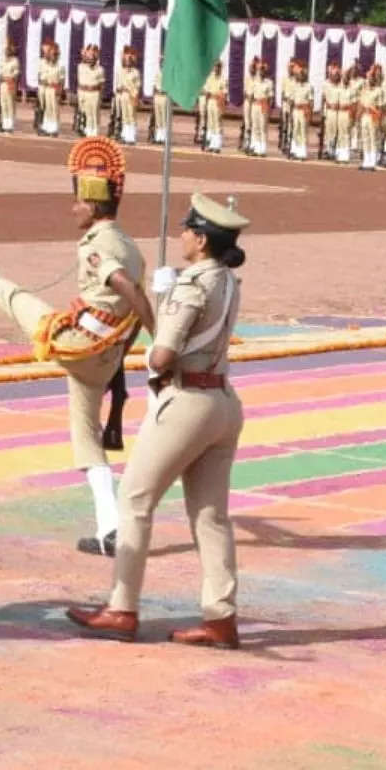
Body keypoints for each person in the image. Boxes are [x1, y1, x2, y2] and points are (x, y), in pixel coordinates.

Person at [0, 138, 155, 556]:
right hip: (104, 355)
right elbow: (131, 307)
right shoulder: (133, 246)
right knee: (86, 436)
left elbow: (125, 287)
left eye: (78, 200)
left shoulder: (101, 246)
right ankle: (110, 528)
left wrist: (160, 333)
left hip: (76, 342)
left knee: (8, 293)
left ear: (94, 203)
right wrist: (119, 365)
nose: (72, 208)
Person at [66, 194, 250, 649]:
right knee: (211, 518)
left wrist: (161, 321)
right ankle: (220, 616)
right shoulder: (227, 280)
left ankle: (122, 606)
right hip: (223, 399)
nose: (183, 235)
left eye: (189, 229)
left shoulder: (192, 285)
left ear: (202, 239)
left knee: (135, 501)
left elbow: (164, 353)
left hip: (187, 401)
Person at [37, 38, 65, 136]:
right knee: (47, 109)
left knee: (54, 109)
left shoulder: (60, 66)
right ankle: (47, 127)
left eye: (54, 54)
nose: (52, 56)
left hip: (54, 89)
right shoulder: (47, 64)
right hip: (47, 88)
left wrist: (59, 91)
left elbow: (62, 80)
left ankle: (54, 129)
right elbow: (41, 77)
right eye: (51, 54)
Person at [0, 40, 22, 133]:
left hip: (11, 84)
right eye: (6, 49)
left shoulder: (15, 61)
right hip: (3, 84)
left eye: (9, 49)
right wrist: (0, 85)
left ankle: (10, 125)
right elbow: (0, 73)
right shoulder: (3, 60)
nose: (7, 51)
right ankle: (4, 124)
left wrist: (9, 79)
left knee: (10, 104)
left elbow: (16, 74)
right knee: (3, 104)